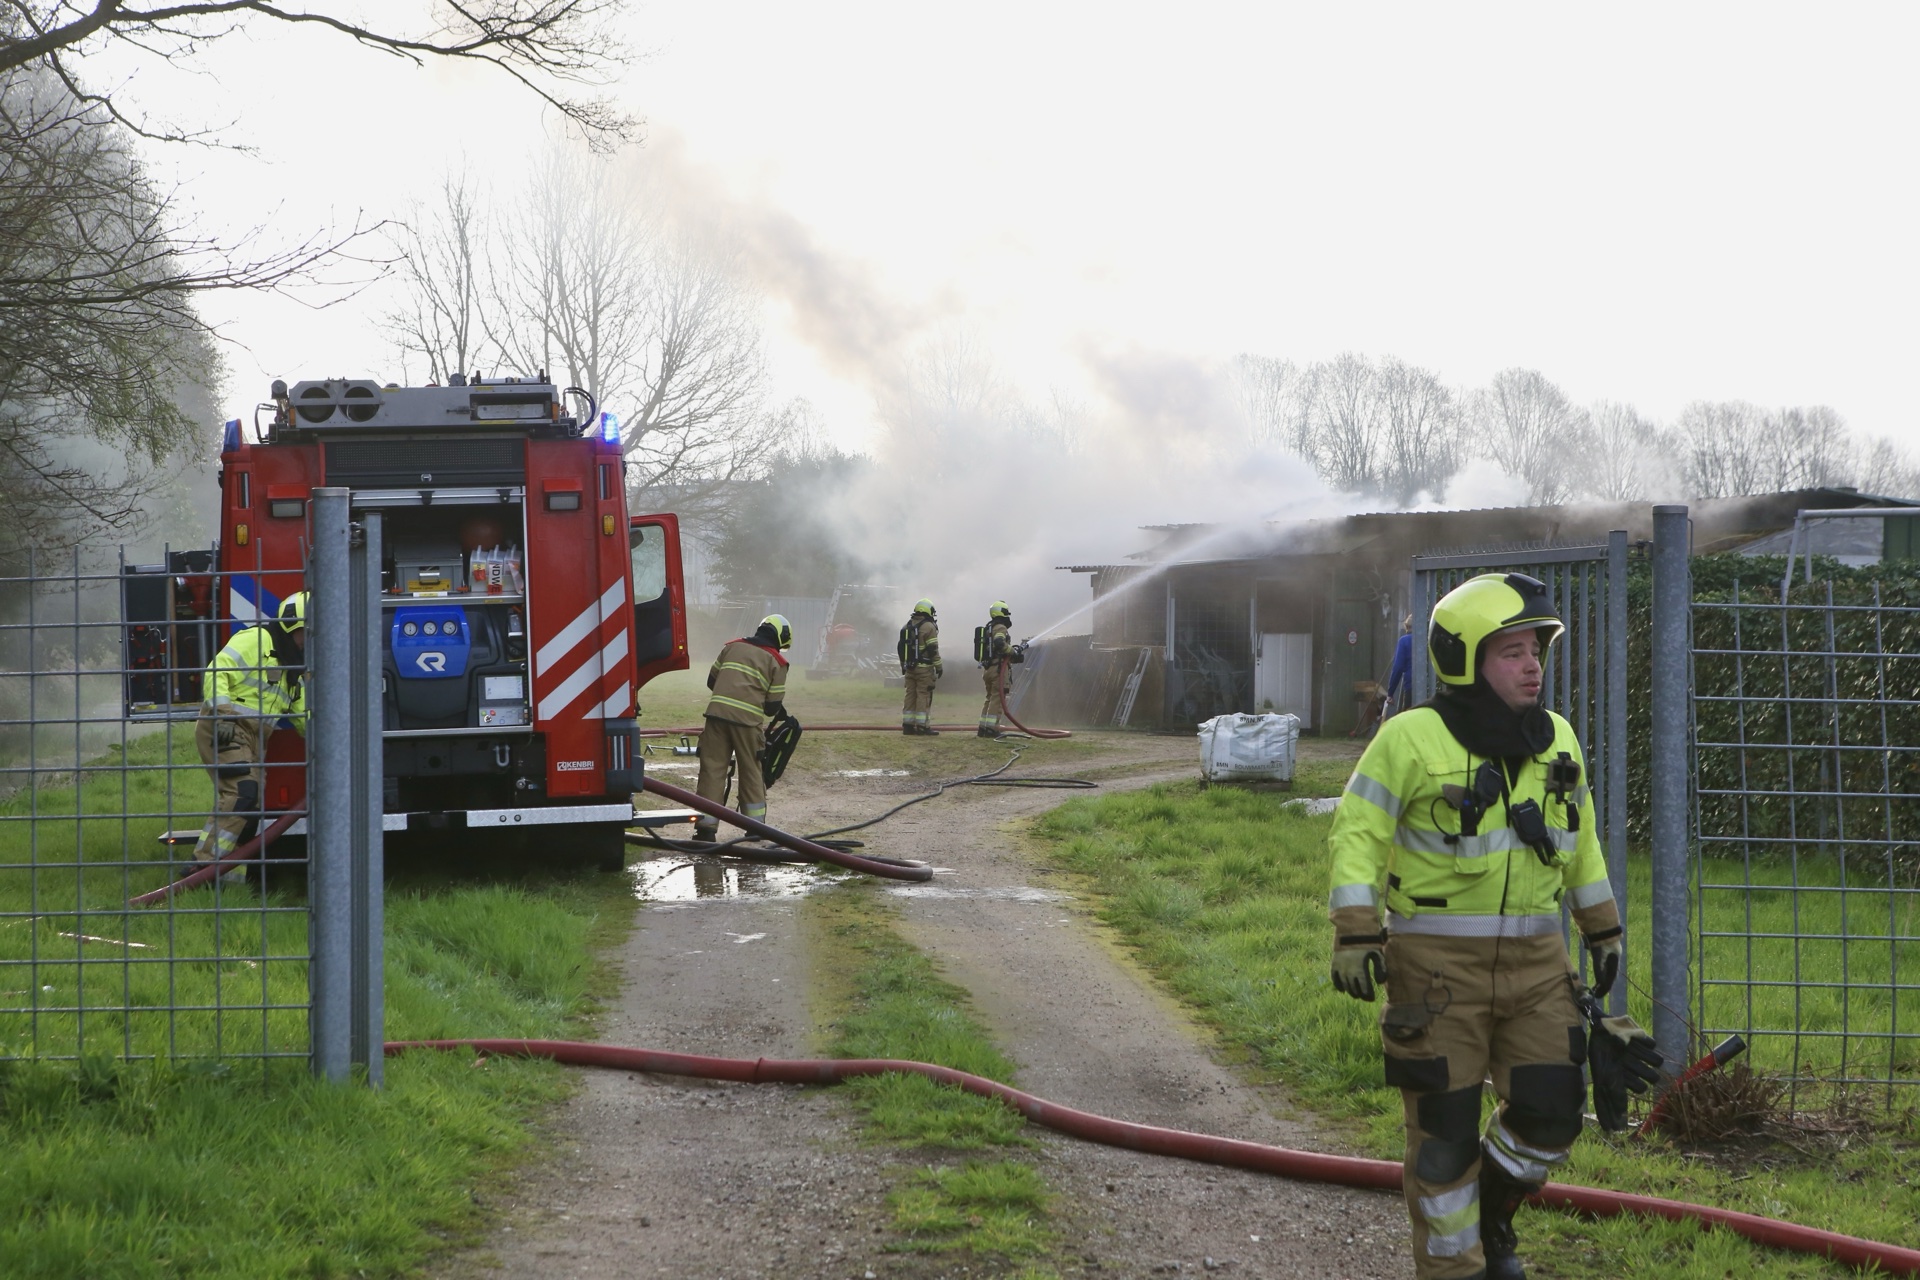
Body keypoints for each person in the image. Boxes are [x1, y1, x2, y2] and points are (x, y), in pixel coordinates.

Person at [1326, 573, 1634, 1280]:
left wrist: (1602, 927)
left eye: (1536, 651)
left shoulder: (1557, 739)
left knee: (1552, 1114)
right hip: (1434, 975)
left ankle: (1491, 1212)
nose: (1532, 667)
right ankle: (1455, 1270)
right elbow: (1358, 833)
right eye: (1511, 652)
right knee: (1443, 1142)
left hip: (1539, 968)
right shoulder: (1409, 738)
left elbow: (1580, 841)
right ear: (1463, 658)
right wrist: (1356, 930)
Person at [192, 592, 309, 877]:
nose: (311, 641)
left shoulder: (293, 670)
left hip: (254, 739)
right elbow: (217, 671)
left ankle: (230, 874)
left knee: (252, 805)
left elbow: (304, 719)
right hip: (226, 727)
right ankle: (202, 867)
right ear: (293, 625)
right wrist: (222, 714)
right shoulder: (257, 641)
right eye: (308, 632)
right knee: (242, 792)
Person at [692, 614, 792, 841]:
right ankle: (755, 828)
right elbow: (772, 707)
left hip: (716, 717)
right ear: (780, 638)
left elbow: (711, 681)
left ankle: (705, 830)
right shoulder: (777, 662)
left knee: (712, 769)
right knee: (751, 771)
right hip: (748, 724)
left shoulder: (731, 647)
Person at [975, 600, 1024, 738]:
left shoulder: (989, 628)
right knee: (997, 698)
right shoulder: (1000, 627)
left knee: (990, 698)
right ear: (1002, 613)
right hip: (998, 670)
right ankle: (992, 729)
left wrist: (1012, 656)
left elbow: (996, 649)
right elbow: (999, 643)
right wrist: (1013, 652)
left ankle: (983, 728)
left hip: (988, 669)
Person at [898, 598, 942, 735]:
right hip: (924, 669)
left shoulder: (907, 625)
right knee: (923, 695)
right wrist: (939, 666)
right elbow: (933, 650)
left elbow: (901, 648)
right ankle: (922, 726)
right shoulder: (929, 627)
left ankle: (908, 726)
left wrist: (903, 666)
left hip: (909, 668)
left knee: (910, 695)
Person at [1385, 613, 1414, 713]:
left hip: (1410, 687)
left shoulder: (1404, 641)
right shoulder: (1426, 639)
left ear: (1407, 627)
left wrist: (1390, 693)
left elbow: (1398, 668)